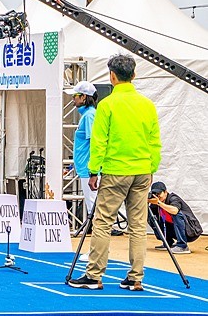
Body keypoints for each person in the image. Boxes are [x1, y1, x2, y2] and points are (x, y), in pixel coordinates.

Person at [68, 54, 162, 292]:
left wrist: (93, 171)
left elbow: (99, 142)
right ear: (134, 75)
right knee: (138, 226)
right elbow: (154, 141)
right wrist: (152, 168)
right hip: (142, 170)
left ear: (112, 76)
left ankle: (94, 274)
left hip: (115, 170)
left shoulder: (107, 105)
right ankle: (135, 277)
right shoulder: (147, 105)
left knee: (102, 222)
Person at [68, 81, 98, 216]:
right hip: (86, 167)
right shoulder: (87, 115)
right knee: (92, 203)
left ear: (84, 97)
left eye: (75, 96)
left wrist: (93, 171)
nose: (73, 99)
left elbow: (95, 142)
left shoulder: (89, 115)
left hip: (88, 168)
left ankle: (101, 233)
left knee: (93, 204)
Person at [149, 181, 202, 254]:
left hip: (190, 231)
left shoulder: (173, 198)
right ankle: (168, 243)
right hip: (174, 230)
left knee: (177, 214)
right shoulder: (156, 203)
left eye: (159, 193)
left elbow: (174, 211)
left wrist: (159, 203)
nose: (157, 196)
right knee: (151, 216)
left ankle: (182, 246)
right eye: (154, 194)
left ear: (165, 192)